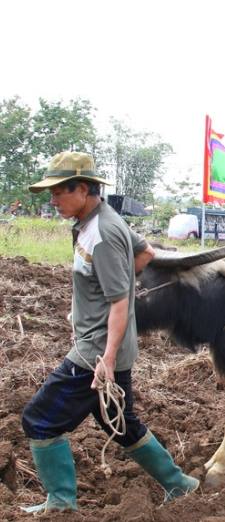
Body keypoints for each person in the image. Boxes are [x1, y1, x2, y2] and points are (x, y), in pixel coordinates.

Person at [21, 152, 198, 512]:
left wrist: (106, 357)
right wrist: (111, 285)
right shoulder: (100, 220)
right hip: (105, 346)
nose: (52, 201)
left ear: (83, 189)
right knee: (120, 423)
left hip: (94, 352)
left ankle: (60, 505)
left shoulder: (102, 234)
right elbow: (146, 252)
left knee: (39, 421)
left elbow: (119, 304)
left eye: (58, 193)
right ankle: (179, 484)